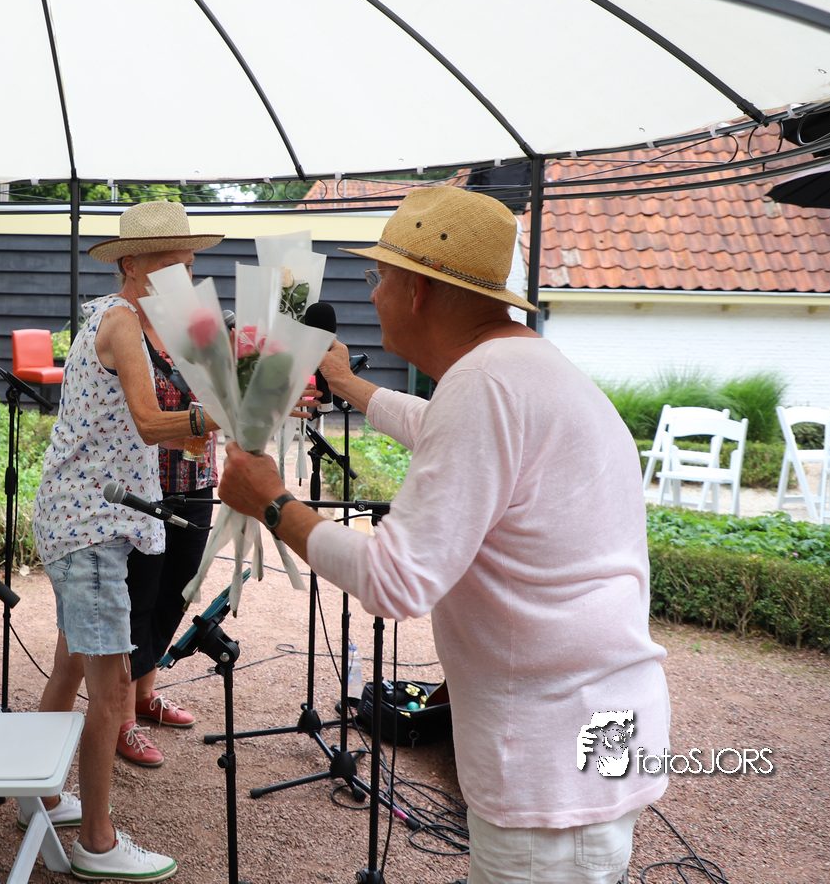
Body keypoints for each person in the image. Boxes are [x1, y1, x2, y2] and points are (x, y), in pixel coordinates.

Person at [219, 184, 671, 884]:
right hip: (590, 739)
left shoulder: (484, 385)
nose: (373, 296)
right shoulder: (523, 370)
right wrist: (349, 386)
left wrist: (273, 503)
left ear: (420, 291)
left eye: (380, 278)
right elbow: (440, 429)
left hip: (549, 770)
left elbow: (396, 581)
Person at [32, 200, 222, 882]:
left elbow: (159, 425)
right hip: (90, 523)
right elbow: (149, 422)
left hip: (87, 517)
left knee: (70, 668)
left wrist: (213, 413)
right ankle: (97, 842)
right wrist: (224, 413)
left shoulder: (135, 322)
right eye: (173, 263)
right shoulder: (120, 321)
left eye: (189, 263)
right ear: (133, 265)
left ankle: (39, 796)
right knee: (111, 687)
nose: (185, 275)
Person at [116, 326, 217, 769]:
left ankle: (144, 694)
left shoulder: (203, 333)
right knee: (138, 598)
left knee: (178, 590)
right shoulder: (129, 333)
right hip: (146, 486)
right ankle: (122, 717)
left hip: (198, 478)